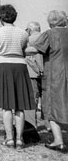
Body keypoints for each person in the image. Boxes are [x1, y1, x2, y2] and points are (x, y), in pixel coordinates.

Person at [0, 4, 35, 150]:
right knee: (20, 106)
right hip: (19, 66)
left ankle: (9, 139)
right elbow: (25, 50)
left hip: (3, 66)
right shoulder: (23, 33)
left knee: (6, 106)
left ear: (1, 18)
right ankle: (20, 139)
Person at [28, 10, 68, 153]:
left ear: (50, 22)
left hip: (55, 75)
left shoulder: (49, 34)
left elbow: (35, 49)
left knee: (51, 107)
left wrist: (20, 51)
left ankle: (58, 141)